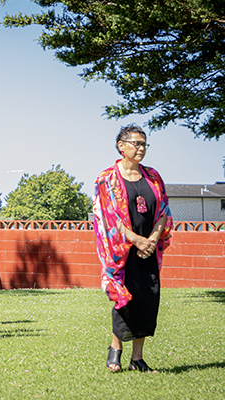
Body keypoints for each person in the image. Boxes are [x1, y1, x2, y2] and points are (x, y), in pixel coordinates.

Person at [93, 124, 172, 372]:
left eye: (144, 144)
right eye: (136, 143)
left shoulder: (154, 177)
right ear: (121, 146)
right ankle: (115, 349)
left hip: (148, 249)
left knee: (148, 300)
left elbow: (163, 212)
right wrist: (135, 240)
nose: (140, 148)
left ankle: (137, 358)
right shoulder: (107, 178)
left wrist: (151, 239)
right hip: (122, 252)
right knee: (124, 300)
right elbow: (106, 217)